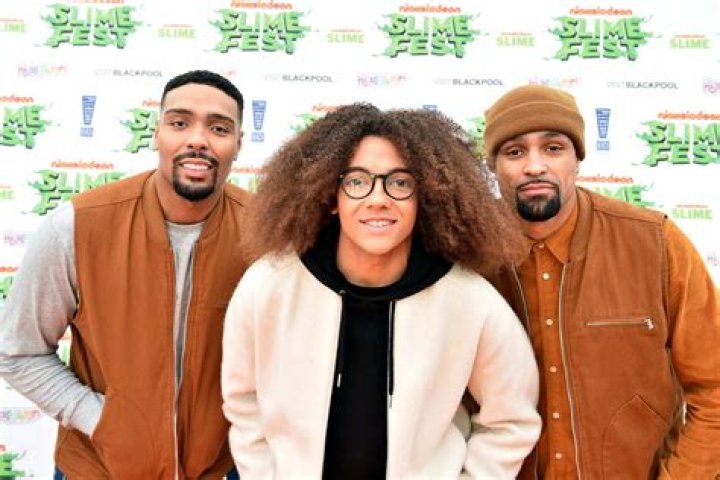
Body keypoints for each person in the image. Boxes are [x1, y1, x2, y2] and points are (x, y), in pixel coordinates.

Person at [221, 103, 541, 478]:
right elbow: (243, 402)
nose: (378, 199)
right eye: (357, 181)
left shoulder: (470, 301)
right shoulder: (269, 285)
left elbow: (511, 420)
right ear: (331, 196)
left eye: (400, 182)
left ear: (426, 197)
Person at [0, 70, 251, 478]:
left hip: (218, 468)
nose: (198, 139)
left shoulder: (266, 234)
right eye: (179, 123)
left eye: (219, 128)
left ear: (239, 144)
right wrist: (102, 420)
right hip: (98, 468)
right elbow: (18, 351)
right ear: (157, 133)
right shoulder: (77, 226)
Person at [482, 84, 720, 479]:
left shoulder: (655, 243)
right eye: (515, 152)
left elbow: (714, 388)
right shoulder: (465, 256)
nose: (535, 166)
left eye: (553, 148)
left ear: (578, 158)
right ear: (492, 165)